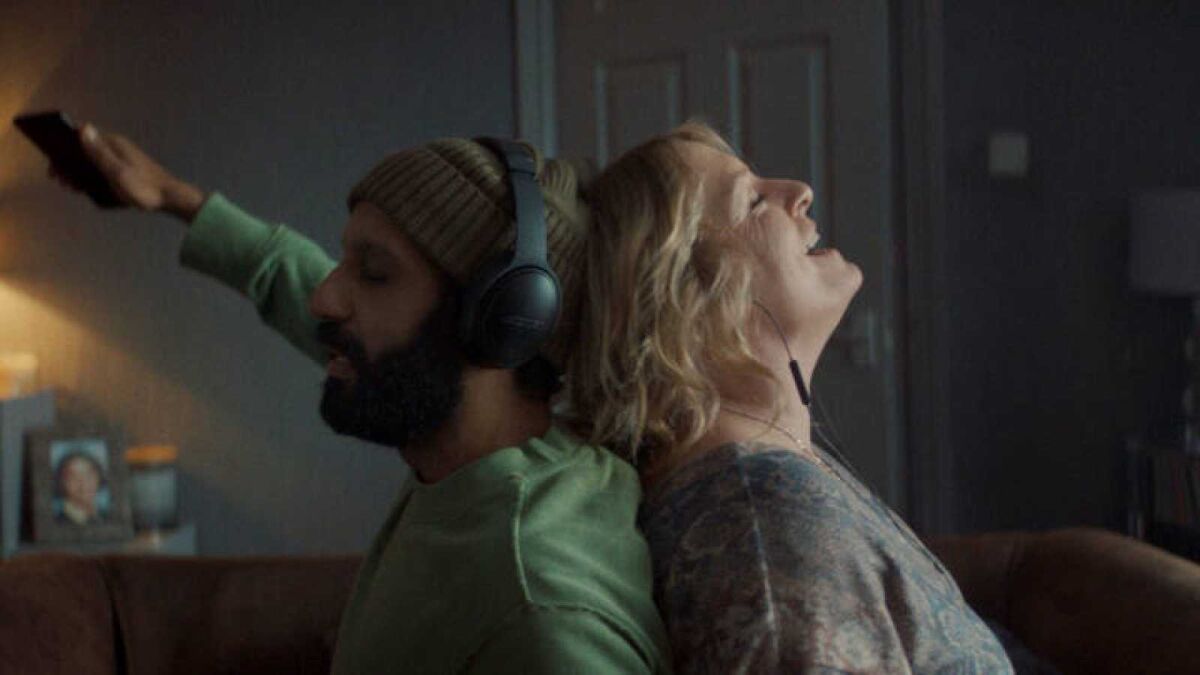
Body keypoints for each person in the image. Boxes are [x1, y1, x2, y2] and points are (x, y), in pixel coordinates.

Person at [48, 122, 670, 673]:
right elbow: (295, 279)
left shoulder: (543, 613)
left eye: (374, 273)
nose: (324, 299)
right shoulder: (474, 449)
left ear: (498, 322)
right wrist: (172, 197)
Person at [567, 122, 1015, 673]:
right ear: (687, 308)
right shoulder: (771, 537)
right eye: (753, 201)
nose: (800, 190)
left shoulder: (769, 478)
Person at [54, 450, 107, 525]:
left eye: (88, 475)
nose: (84, 484)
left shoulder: (105, 516)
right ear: (61, 483)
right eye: (74, 477)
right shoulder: (59, 522)